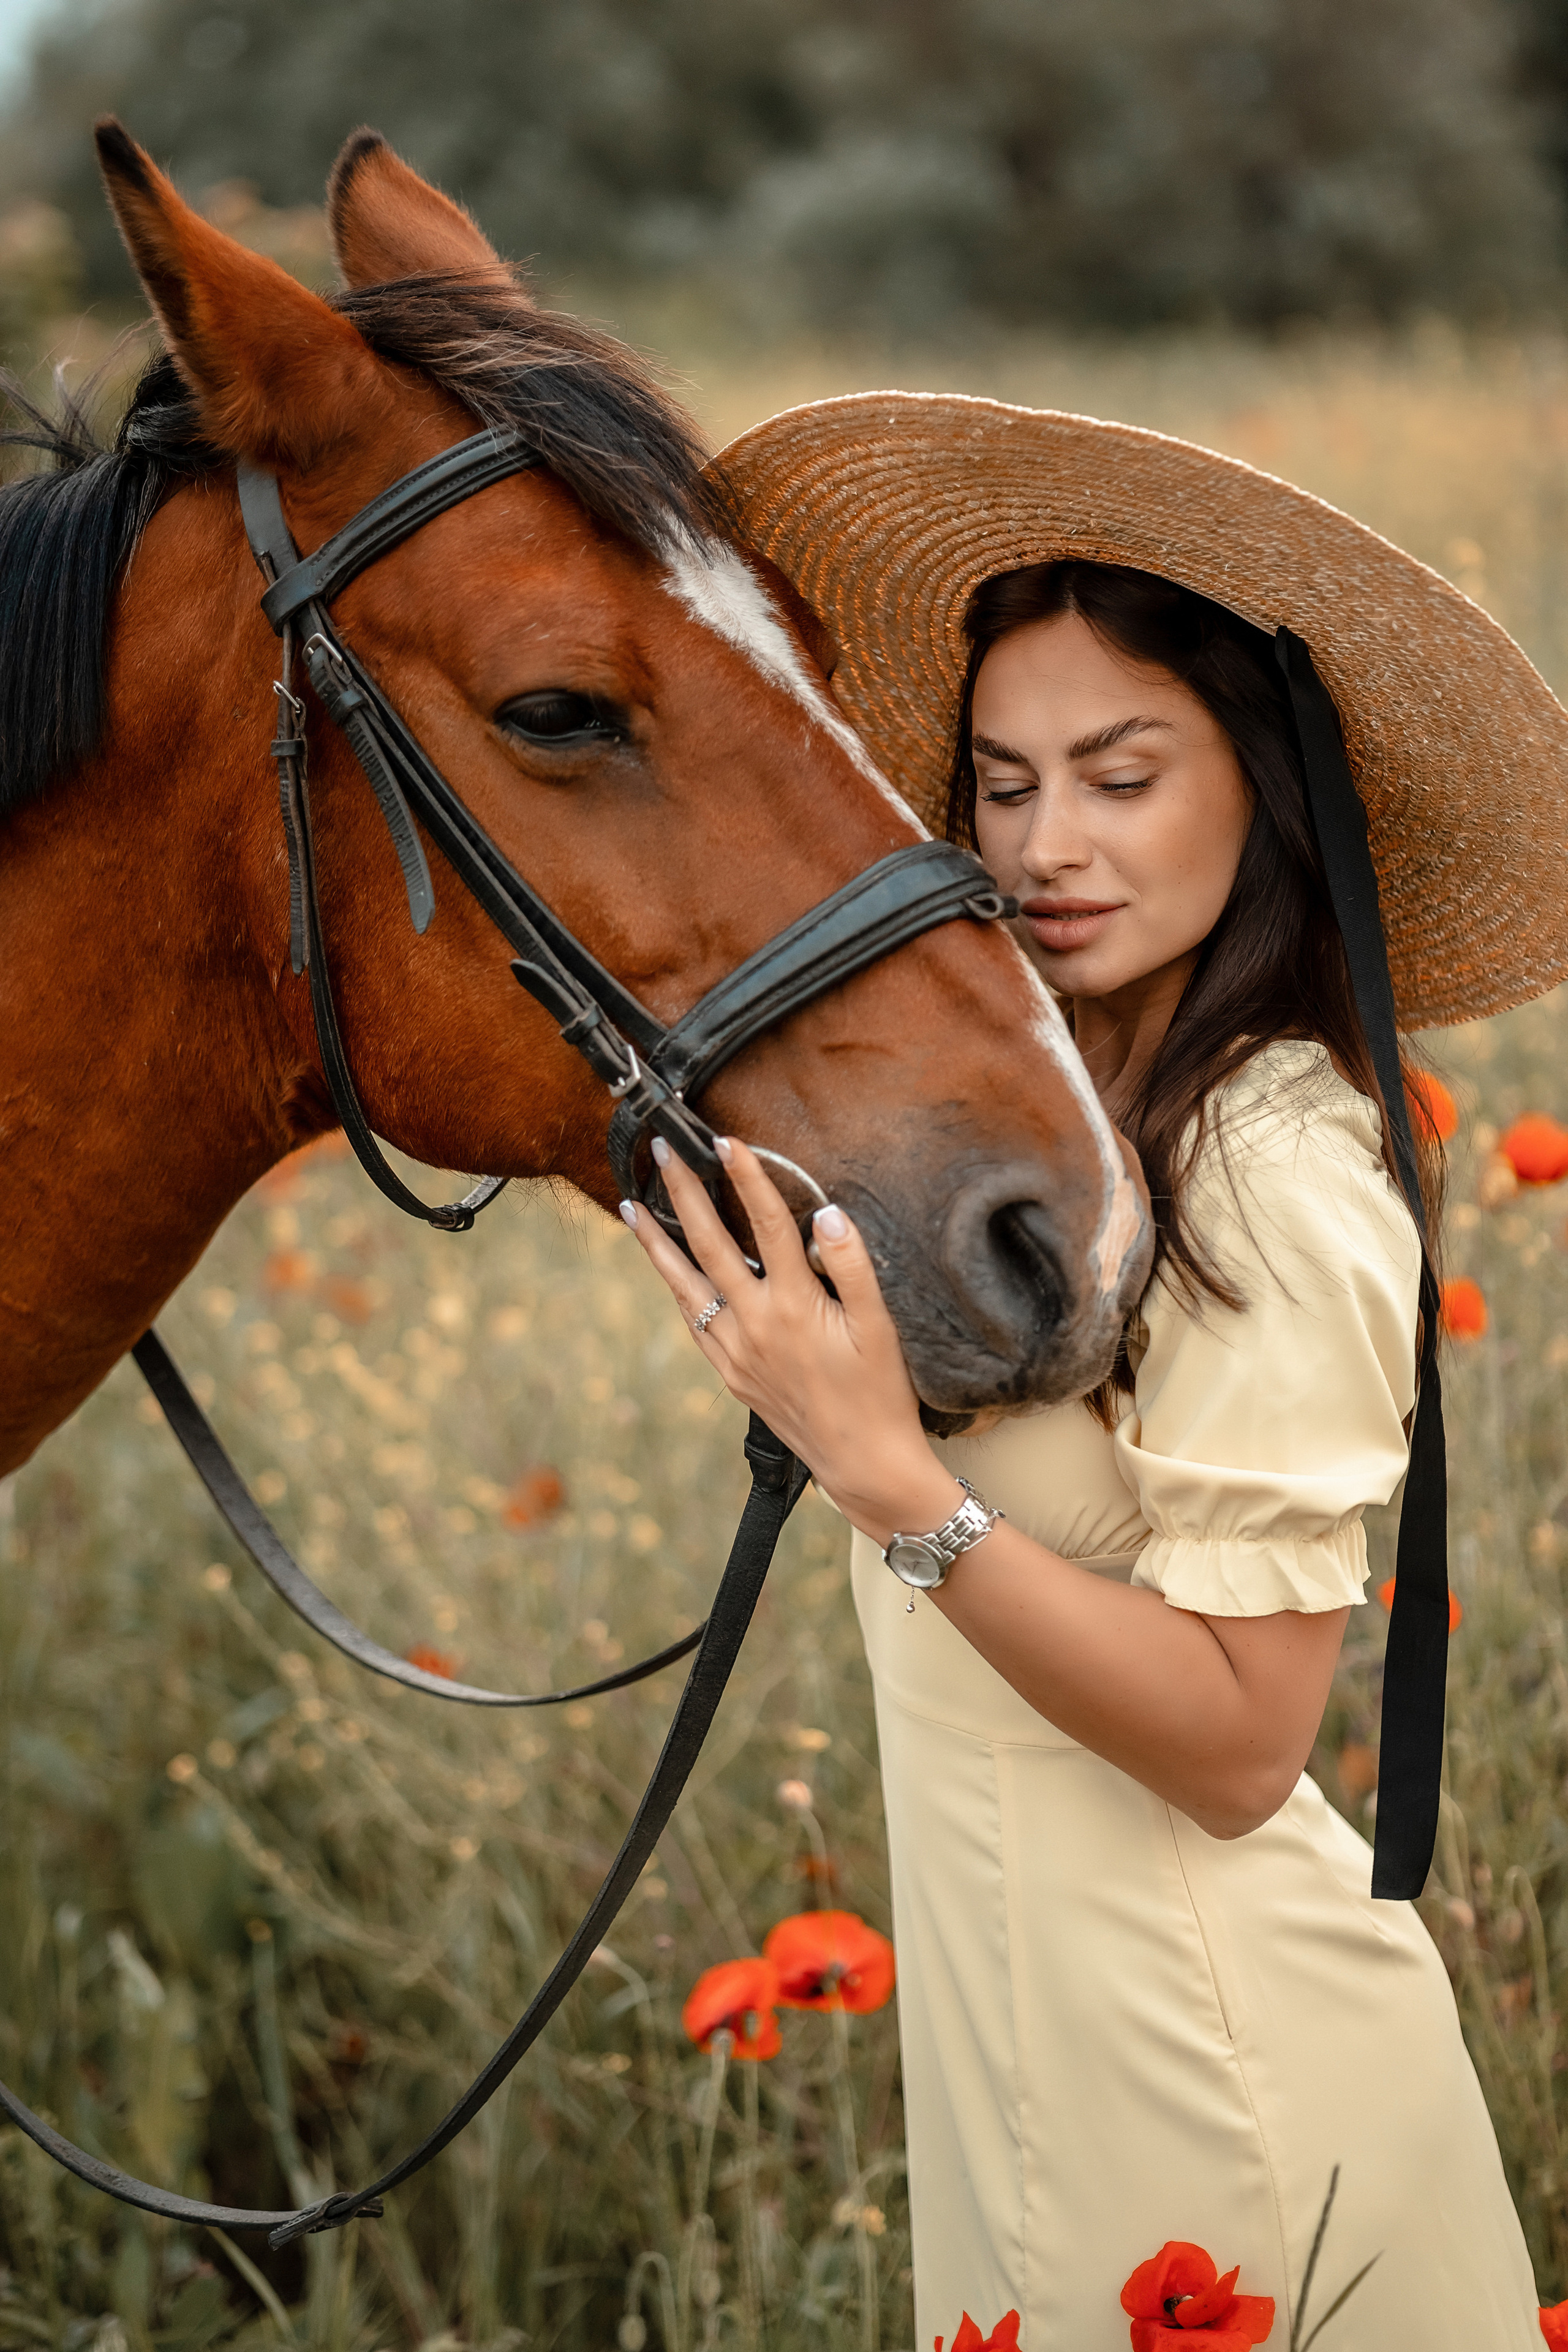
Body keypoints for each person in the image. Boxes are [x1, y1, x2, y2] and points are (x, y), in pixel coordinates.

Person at [622, 392, 1568, 2348]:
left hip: (1223, 2104)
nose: (1046, 848)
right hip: (1030, 2051)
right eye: (1002, 784)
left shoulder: (1273, 1165)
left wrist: (896, 1482)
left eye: (1123, 777)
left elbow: (1241, 1751)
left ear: (1265, 788)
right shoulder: (1067, 1134)